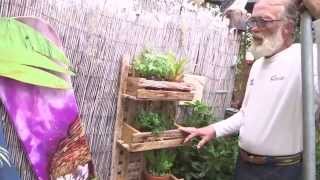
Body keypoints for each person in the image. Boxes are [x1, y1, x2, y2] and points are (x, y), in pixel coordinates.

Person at [179, 0, 314, 179]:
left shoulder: (305, 57)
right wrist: (214, 129)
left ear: (288, 27)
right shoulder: (258, 65)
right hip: (244, 166)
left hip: (280, 171)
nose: (254, 28)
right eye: (253, 21)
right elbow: (246, 114)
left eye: (264, 21)